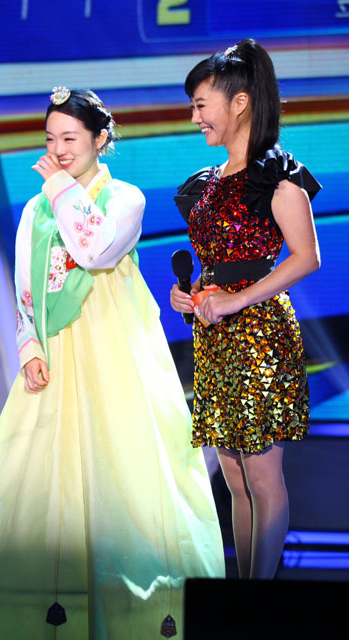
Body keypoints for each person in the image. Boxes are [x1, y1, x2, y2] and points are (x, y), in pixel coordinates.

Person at [0, 88, 224, 638]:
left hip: (112, 348)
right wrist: (29, 347)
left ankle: (133, 609)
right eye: (50, 139)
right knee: (43, 476)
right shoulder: (34, 209)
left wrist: (60, 188)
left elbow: (94, 249)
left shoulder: (125, 198)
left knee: (121, 467)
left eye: (70, 138)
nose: (57, 150)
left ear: (100, 139)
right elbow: (24, 286)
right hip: (56, 352)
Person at [171, 39, 321, 580]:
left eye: (201, 105)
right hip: (216, 338)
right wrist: (190, 295)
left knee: (261, 474)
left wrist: (236, 299)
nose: (195, 118)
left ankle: (262, 593)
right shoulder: (206, 185)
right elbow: (217, 266)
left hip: (261, 336)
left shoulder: (276, 176)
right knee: (233, 477)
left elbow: (306, 257)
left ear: (239, 103)